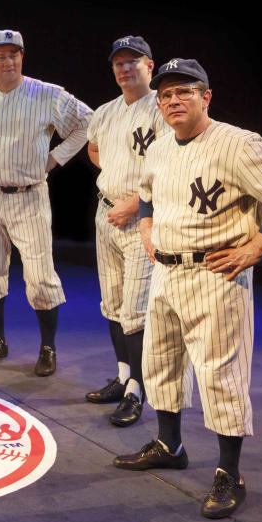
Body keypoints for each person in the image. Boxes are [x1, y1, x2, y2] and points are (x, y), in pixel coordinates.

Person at [113, 58, 262, 519]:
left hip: (215, 274)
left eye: (184, 92)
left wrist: (257, 247)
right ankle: (169, 443)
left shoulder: (237, 143)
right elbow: (146, 193)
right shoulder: (161, 146)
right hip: (166, 270)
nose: (173, 101)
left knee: (220, 376)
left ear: (206, 97)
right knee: (160, 363)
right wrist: (146, 227)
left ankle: (229, 473)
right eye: (165, 95)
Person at [0, 30, 92, 375]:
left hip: (29, 195)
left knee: (41, 276)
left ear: (22, 57)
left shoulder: (47, 94)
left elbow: (87, 122)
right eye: (0, 55)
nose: (7, 61)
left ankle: (48, 346)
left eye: (14, 54)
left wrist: (56, 158)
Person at [84, 36, 166, 427]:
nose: (124, 69)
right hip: (107, 216)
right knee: (113, 305)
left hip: (142, 220)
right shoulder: (104, 111)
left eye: (132, 62)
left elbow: (172, 164)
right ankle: (121, 377)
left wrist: (134, 202)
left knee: (135, 312)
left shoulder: (162, 108)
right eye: (118, 63)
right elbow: (94, 149)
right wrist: (113, 183)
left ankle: (138, 390)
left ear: (150, 65)